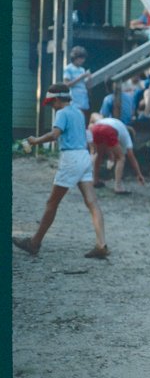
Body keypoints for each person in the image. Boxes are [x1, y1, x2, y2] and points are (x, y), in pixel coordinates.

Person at [12, 84, 108, 259]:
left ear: (57, 99)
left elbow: (55, 135)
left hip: (70, 158)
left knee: (52, 203)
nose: (51, 106)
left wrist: (35, 141)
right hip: (84, 157)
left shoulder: (62, 113)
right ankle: (101, 244)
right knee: (92, 201)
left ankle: (34, 243)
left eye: (51, 103)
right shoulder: (78, 112)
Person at [89, 114, 146, 194]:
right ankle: (118, 186)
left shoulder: (119, 126)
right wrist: (139, 174)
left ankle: (95, 180)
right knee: (121, 158)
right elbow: (131, 156)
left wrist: (111, 156)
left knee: (99, 154)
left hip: (96, 127)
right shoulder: (126, 136)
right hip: (108, 129)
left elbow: (108, 145)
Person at [63, 46, 92, 121]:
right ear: (75, 58)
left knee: (83, 118)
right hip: (74, 98)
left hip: (83, 97)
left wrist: (88, 78)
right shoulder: (68, 68)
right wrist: (82, 77)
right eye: (80, 58)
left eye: (83, 58)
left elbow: (86, 84)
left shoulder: (82, 69)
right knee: (76, 117)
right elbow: (66, 84)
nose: (82, 60)